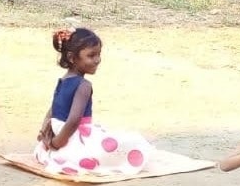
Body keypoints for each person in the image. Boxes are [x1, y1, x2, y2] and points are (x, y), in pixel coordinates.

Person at [33, 27, 152, 177]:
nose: (97, 60)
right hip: (73, 137)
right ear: (71, 58)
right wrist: (57, 143)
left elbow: (52, 110)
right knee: (130, 144)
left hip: (60, 133)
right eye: (91, 55)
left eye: (98, 55)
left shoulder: (63, 80)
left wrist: (44, 133)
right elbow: (74, 121)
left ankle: (63, 154)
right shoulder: (84, 85)